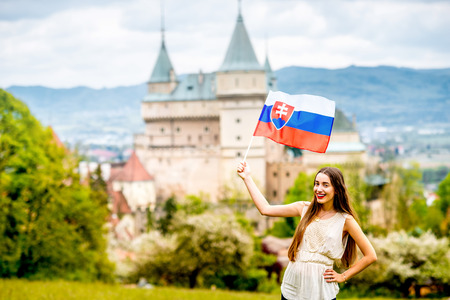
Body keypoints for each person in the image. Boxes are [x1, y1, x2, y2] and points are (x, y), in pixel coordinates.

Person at [237, 161, 377, 300]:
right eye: (316, 184)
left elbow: (371, 255)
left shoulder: (345, 220)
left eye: (325, 185)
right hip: (293, 287)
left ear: (337, 190)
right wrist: (247, 178)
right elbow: (265, 209)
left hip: (321, 291)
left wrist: (343, 276)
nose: (318, 189)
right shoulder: (303, 208)